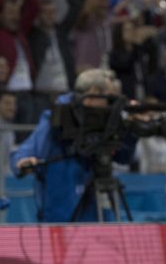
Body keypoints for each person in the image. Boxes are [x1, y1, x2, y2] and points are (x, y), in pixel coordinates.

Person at [11, 68, 134, 222]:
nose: (110, 105)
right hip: (62, 211)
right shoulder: (56, 118)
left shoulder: (108, 121)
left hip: (95, 210)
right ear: (93, 93)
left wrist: (131, 132)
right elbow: (25, 153)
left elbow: (124, 157)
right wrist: (23, 162)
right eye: (108, 98)